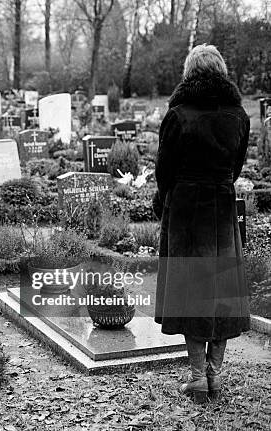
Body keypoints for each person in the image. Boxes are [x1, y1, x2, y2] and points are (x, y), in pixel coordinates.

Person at [154, 44, 250, 404]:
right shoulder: (239, 115)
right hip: (221, 208)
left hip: (185, 211)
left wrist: (164, 199)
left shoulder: (178, 114)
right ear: (221, 70)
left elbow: (165, 169)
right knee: (221, 293)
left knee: (190, 293)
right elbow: (236, 167)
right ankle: (214, 374)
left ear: (189, 72)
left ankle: (197, 377)